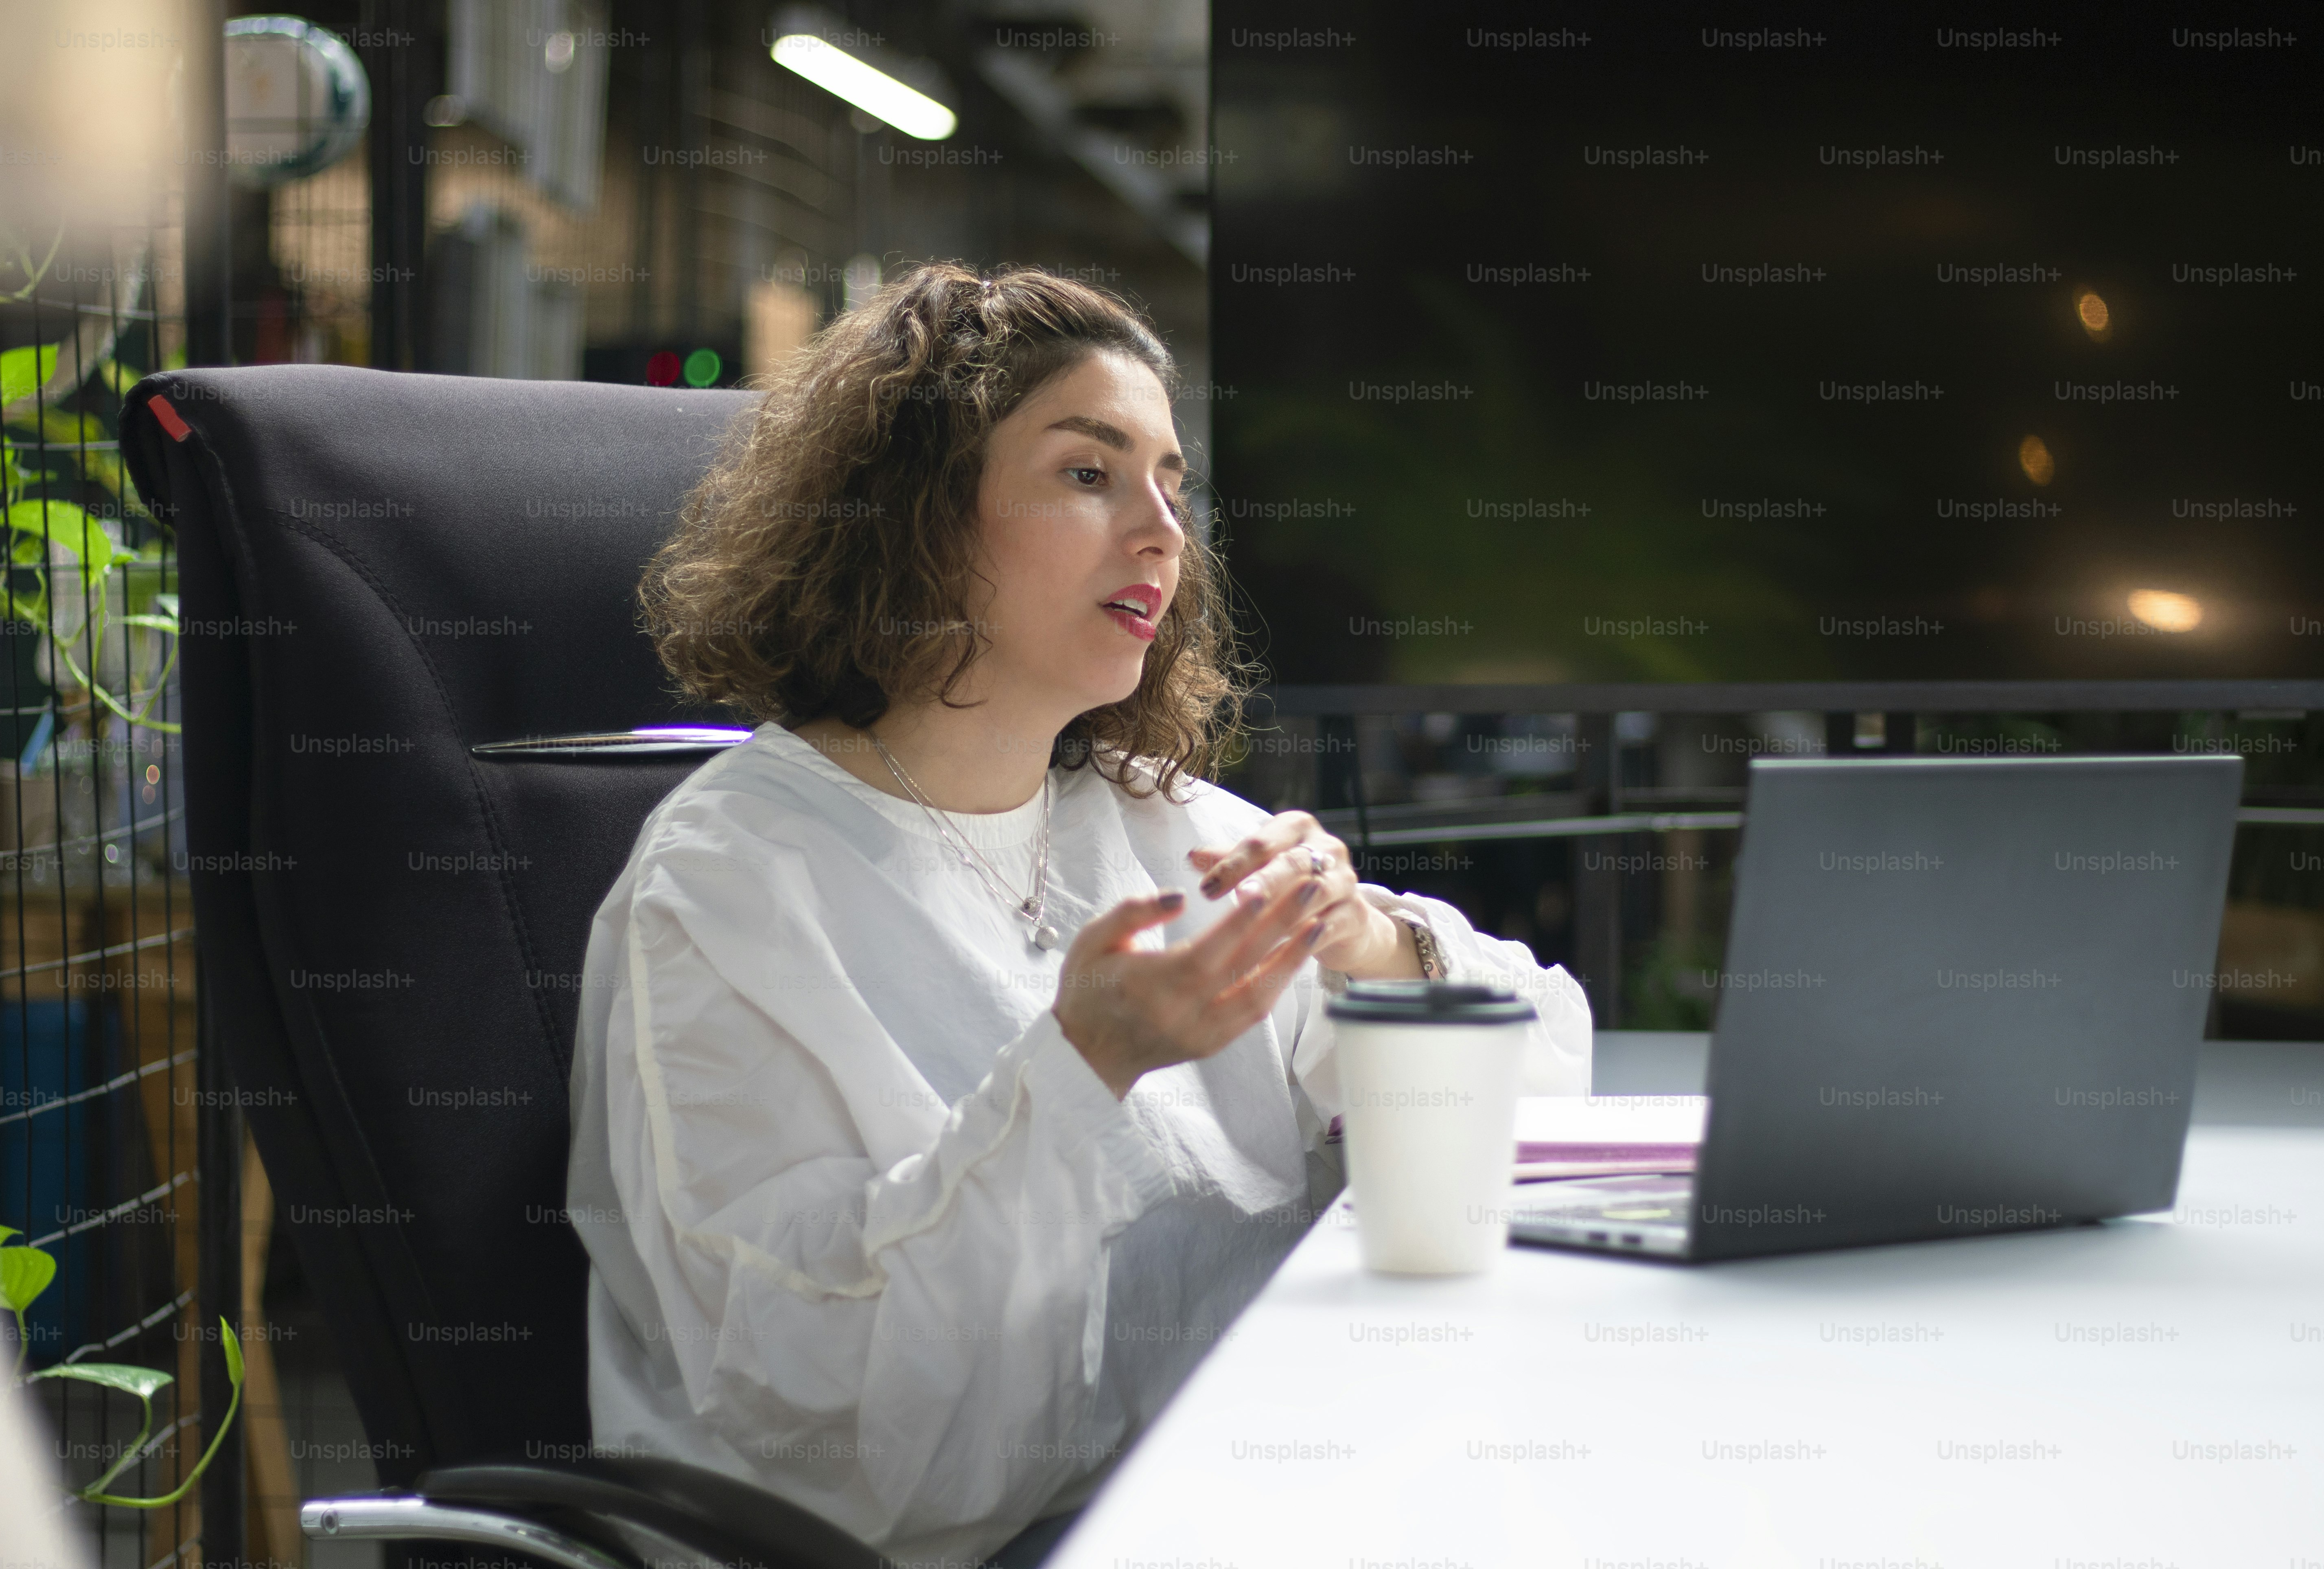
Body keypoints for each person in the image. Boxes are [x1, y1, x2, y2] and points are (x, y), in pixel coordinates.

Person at [563, 263, 1593, 1567]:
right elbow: (817, 1423)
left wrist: (1370, 948)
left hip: (1243, 1498)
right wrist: (1083, 1063)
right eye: (1089, 473)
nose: (1163, 532)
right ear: (917, 515)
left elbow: (1548, 1087)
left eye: (1173, 482)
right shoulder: (729, 880)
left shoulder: (1156, 820)